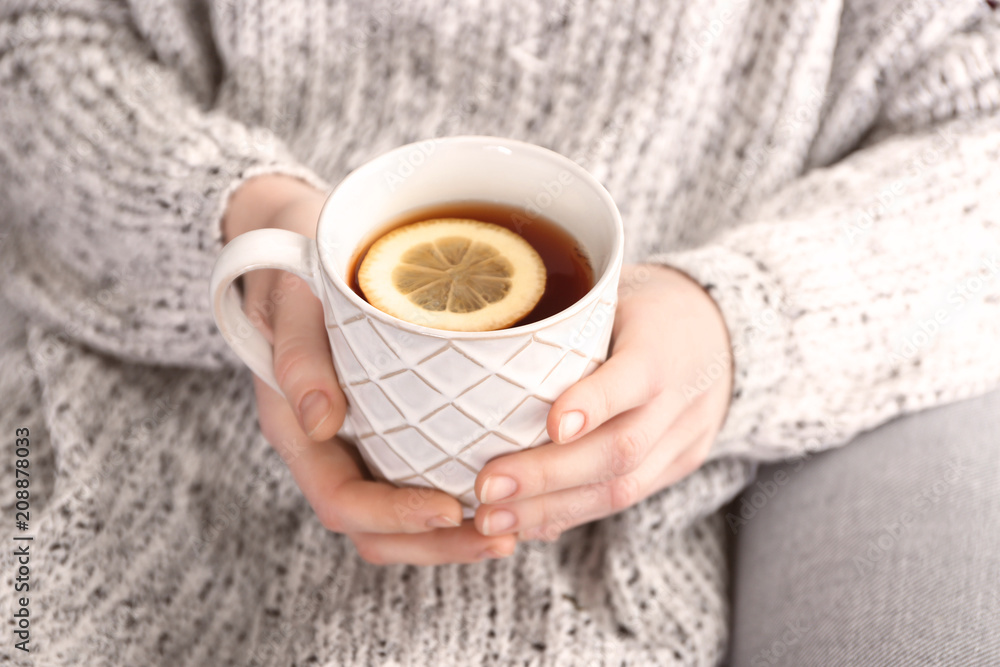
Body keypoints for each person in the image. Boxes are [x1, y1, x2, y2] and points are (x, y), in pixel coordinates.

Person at [1, 0, 997, 664]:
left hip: (603, 536)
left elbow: (974, 123)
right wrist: (234, 223)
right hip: (122, 432)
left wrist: (744, 323)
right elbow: (38, 45)